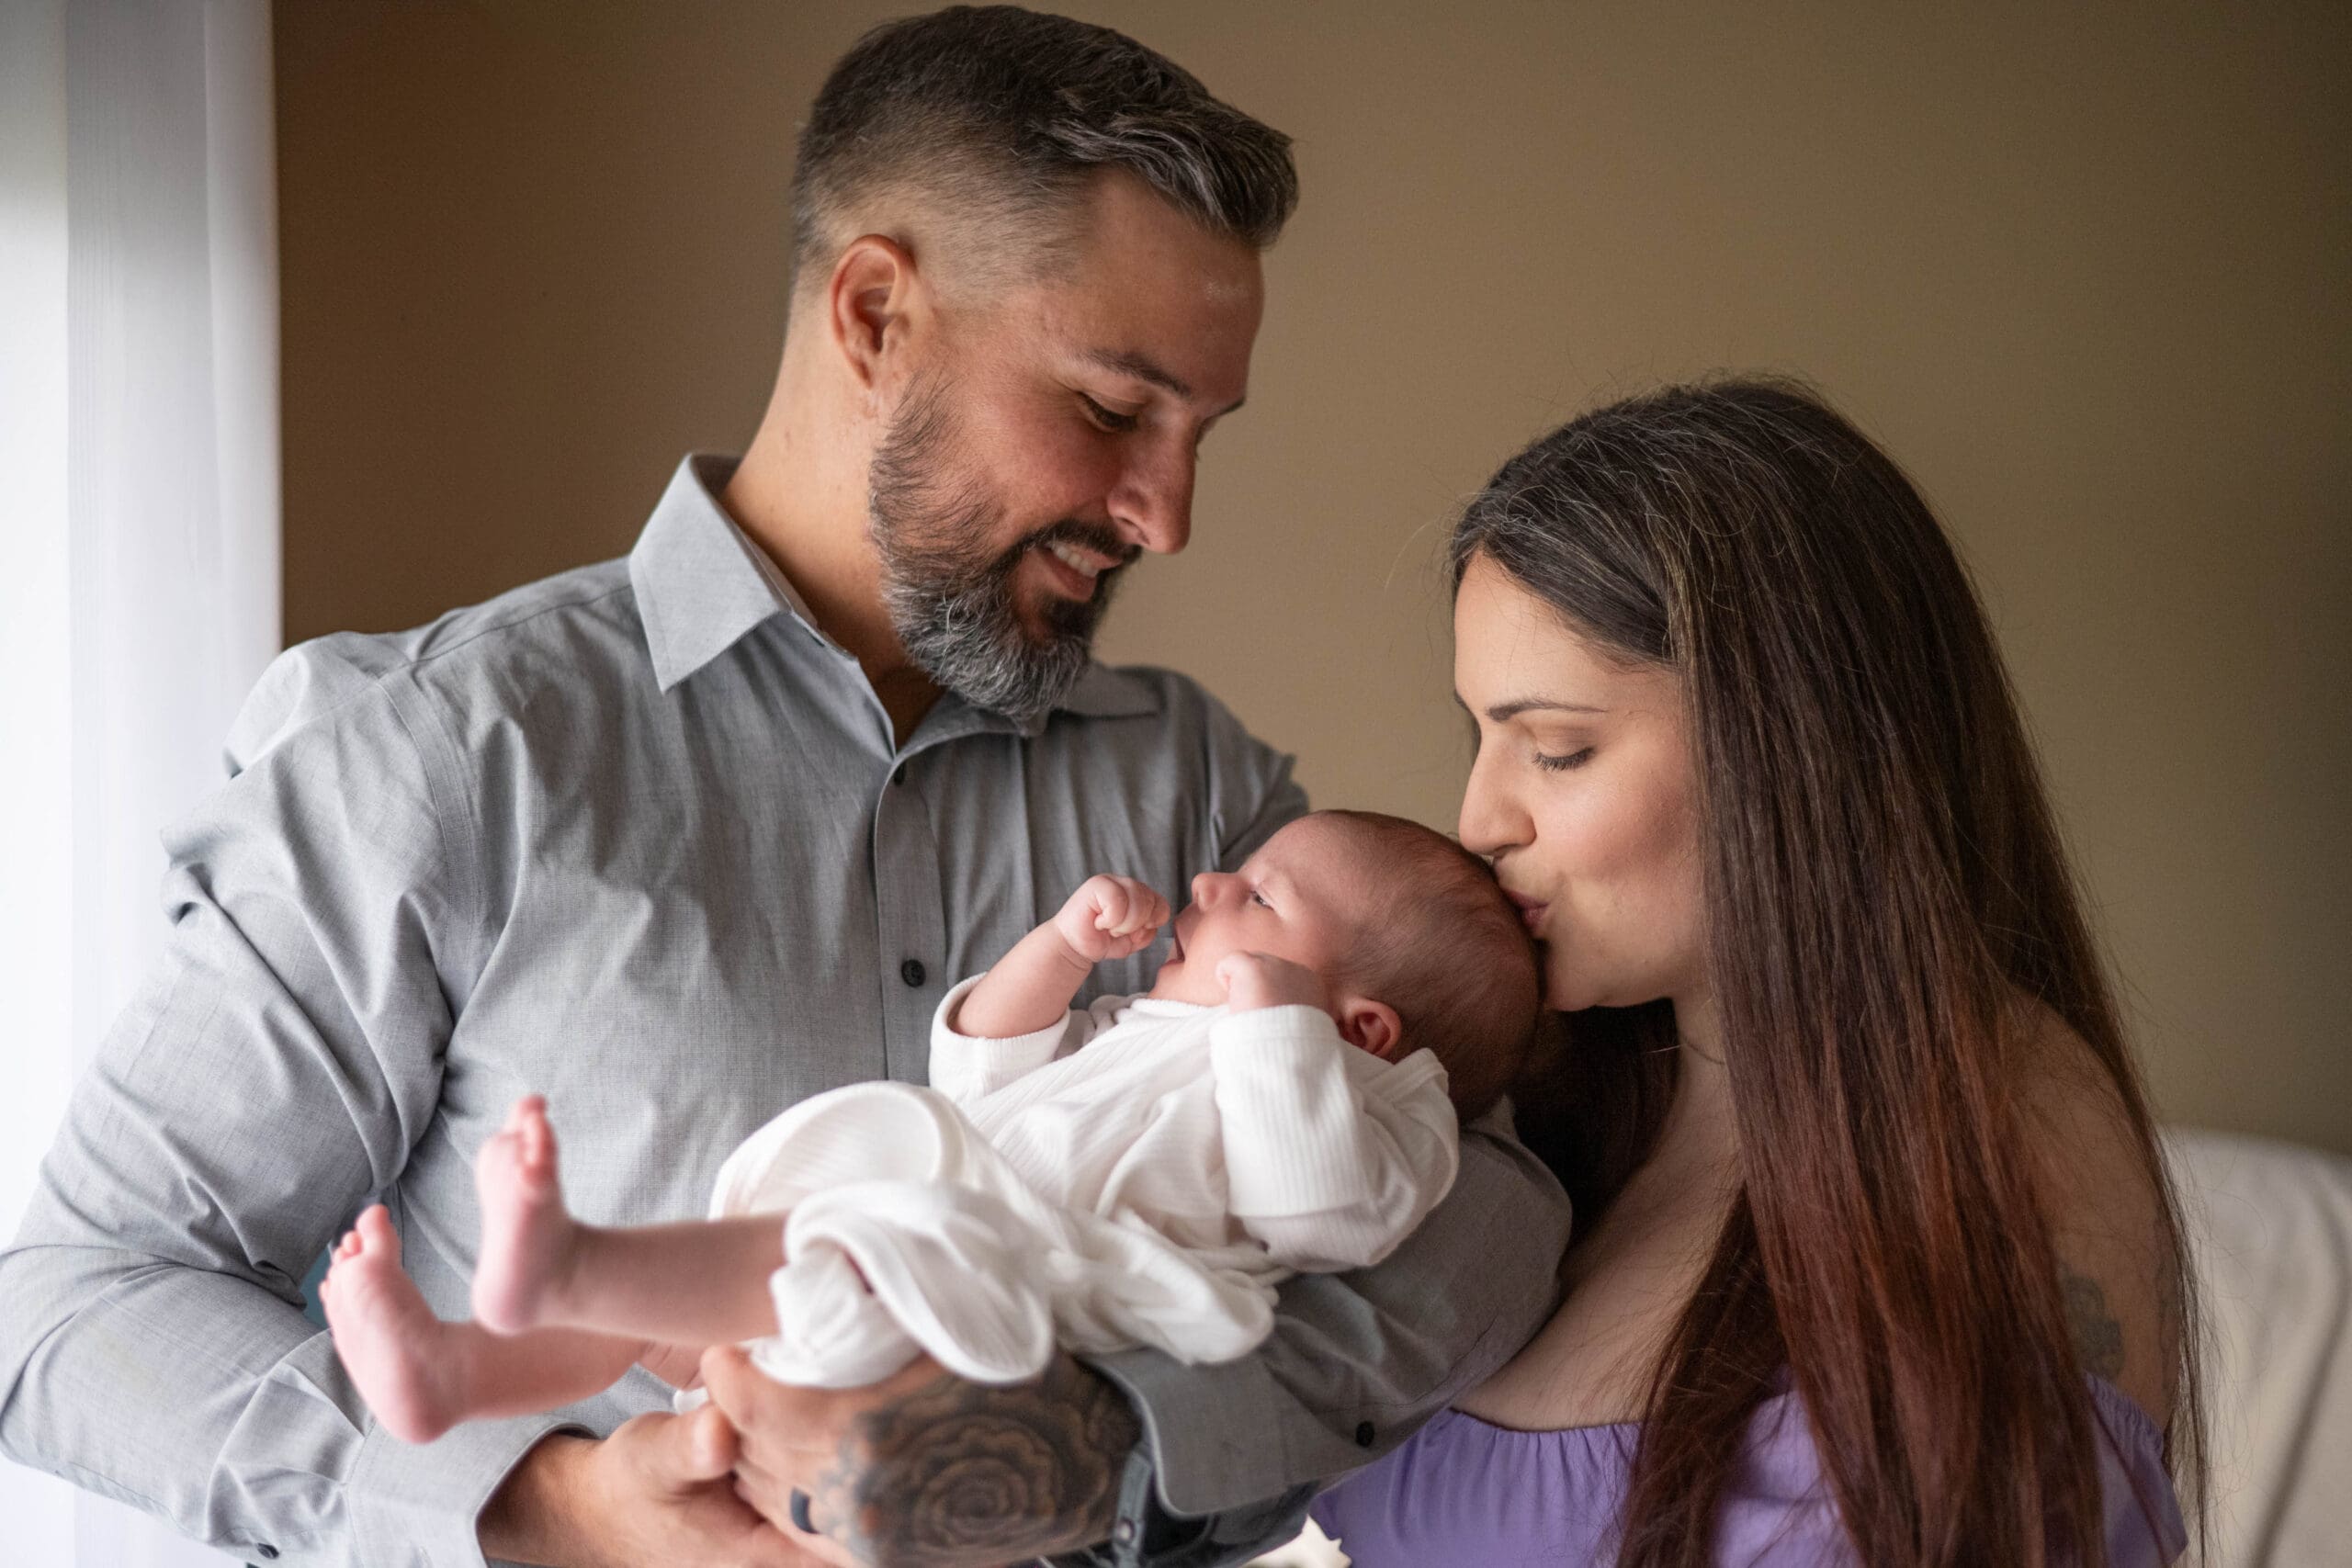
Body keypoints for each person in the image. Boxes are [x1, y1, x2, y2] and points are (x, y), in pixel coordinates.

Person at [0, 11, 1569, 1568]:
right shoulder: (442, 753)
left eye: (1197, 435)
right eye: (1109, 410)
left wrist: (1072, 1452)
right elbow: (70, 1302)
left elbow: (1486, 1203)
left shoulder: (1202, 793)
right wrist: (537, 1511)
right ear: (876, 317)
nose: (1166, 516)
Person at [1310, 378, 2203, 1565]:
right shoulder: (1547, 1111)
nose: (1480, 821)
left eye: (1558, 751)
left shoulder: (1992, 1131)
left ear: (1783, 742)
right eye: (1480, 737)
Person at [320, 811, 1540, 1446]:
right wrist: (1060, 951)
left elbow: (1316, 1216)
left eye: (1262, 896)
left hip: (1018, 1298)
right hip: (947, 1231)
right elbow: (983, 1068)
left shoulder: (1382, 1111)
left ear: (1366, 1025)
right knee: (685, 1323)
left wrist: (1278, 1026)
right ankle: (460, 1372)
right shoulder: (1147, 1023)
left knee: (796, 1261)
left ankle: (571, 1260)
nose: (1213, 886)